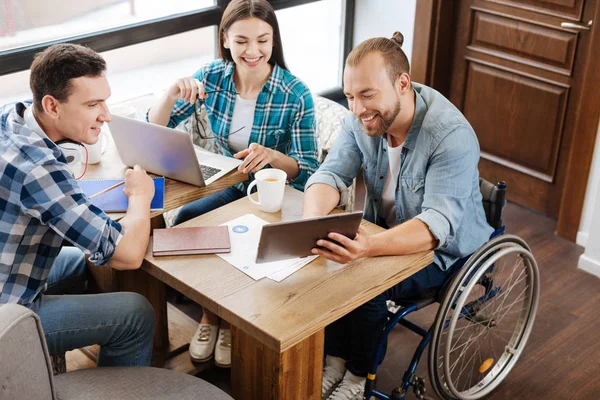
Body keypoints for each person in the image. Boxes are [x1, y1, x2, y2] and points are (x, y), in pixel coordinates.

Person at [302, 32, 494, 400]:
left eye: (367, 95)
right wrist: (313, 220)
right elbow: (330, 173)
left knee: (364, 280)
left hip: (445, 251)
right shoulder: (362, 118)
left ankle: (359, 378)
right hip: (384, 230)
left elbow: (436, 227)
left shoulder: (450, 136)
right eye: (350, 97)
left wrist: (368, 247)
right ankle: (336, 361)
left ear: (402, 84)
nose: (356, 109)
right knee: (332, 267)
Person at [148, 0, 319, 368]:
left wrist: (274, 156)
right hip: (229, 184)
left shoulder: (295, 94)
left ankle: (222, 320)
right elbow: (156, 128)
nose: (252, 51)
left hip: (271, 195)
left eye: (263, 40)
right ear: (225, 39)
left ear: (274, 40)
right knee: (188, 222)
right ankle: (215, 314)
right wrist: (170, 94)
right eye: (241, 41)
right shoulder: (212, 76)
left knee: (236, 235)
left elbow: (308, 169)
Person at [0, 43, 157, 367]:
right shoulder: (39, 170)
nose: (106, 115)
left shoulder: (9, 119)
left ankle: (47, 361)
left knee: (78, 261)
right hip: (7, 314)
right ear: (51, 105)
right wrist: (141, 196)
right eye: (92, 104)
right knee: (136, 313)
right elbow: (127, 256)